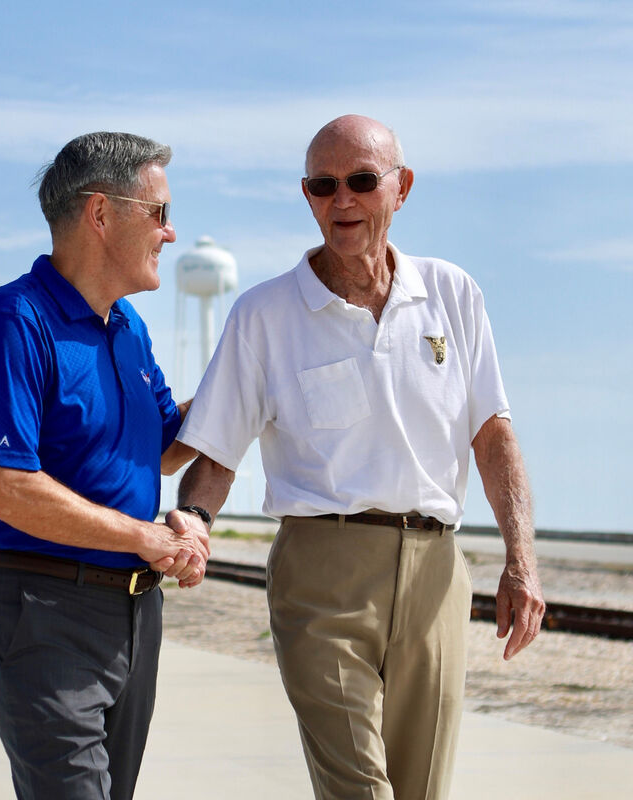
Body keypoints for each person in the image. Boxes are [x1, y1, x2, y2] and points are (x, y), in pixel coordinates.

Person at [173, 115, 545, 800]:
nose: (341, 200)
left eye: (361, 181)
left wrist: (521, 561)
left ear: (400, 189)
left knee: (419, 789)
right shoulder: (264, 314)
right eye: (323, 185)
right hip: (322, 579)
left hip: (437, 573)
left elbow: (494, 436)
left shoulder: (454, 295)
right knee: (358, 790)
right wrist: (194, 518)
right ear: (307, 195)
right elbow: (217, 448)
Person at [0, 131, 208, 800]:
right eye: (157, 213)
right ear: (101, 213)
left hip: (132, 618)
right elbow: (2, 489)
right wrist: (147, 538)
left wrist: (247, 377)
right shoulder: (15, 319)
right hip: (42, 611)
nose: (171, 232)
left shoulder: (128, 327)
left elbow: (162, 445)